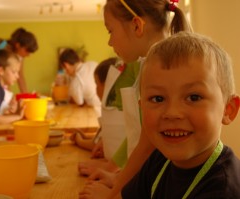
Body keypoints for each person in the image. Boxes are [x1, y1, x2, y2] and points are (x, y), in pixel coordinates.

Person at [78, 0, 192, 198]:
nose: (110, 42)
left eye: (110, 31)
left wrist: (113, 194)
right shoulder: (148, 66)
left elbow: (147, 148)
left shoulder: (158, 71)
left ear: (137, 25)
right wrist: (118, 176)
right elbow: (139, 139)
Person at [122, 31, 240, 198]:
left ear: (228, 109)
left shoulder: (224, 190)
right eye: (158, 98)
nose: (172, 113)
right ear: (141, 107)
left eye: (194, 97)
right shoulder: (159, 160)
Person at [70, 57, 117, 153]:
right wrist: (87, 137)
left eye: (96, 84)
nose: (95, 89)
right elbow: (102, 139)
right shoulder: (114, 107)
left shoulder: (113, 111)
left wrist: (79, 140)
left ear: (107, 85)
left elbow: (96, 145)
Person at [59, 48, 102, 117]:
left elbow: (80, 103)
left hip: (96, 114)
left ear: (66, 65)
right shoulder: (93, 63)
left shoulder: (76, 82)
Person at [8, 27, 38, 93]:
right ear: (18, 45)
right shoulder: (6, 52)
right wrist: (10, 98)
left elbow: (20, 75)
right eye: (27, 51)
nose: (28, 55)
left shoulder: (19, 55)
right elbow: (4, 78)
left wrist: (26, 96)